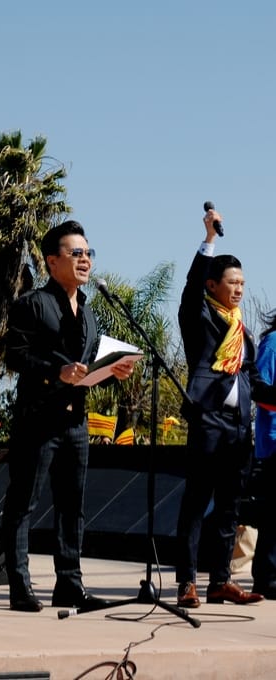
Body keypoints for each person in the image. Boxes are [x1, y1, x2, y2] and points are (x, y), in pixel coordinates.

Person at [1, 220, 135, 612]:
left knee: (72, 505)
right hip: (38, 419)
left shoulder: (89, 312)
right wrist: (54, 371)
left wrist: (112, 370)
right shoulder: (31, 304)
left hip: (76, 421)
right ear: (52, 261)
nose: (85, 260)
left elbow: (87, 365)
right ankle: (19, 586)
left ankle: (70, 586)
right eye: (76, 253)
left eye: (89, 253)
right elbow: (15, 356)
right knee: (23, 502)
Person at [175, 208, 276, 608]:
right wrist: (209, 240)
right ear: (213, 285)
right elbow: (190, 288)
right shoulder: (199, 318)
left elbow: (253, 380)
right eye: (232, 283)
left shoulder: (242, 332)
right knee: (196, 505)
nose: (238, 290)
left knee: (230, 509)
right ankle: (187, 582)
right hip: (208, 422)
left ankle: (221, 581)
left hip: (237, 428)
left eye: (243, 284)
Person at [251, 311, 276, 599]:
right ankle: (267, 578)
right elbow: (259, 391)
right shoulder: (273, 343)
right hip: (274, 442)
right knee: (273, 516)